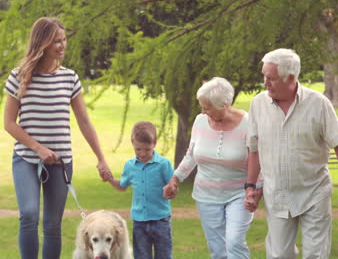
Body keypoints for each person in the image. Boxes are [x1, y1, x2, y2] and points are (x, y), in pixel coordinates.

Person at [3, 17, 112, 259]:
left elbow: (84, 122)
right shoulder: (18, 76)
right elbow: (9, 123)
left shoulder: (69, 78)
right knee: (29, 214)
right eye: (56, 41)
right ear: (42, 43)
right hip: (26, 160)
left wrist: (101, 159)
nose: (62, 46)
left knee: (52, 225)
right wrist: (38, 148)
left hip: (61, 164)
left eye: (63, 40)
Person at [244, 48, 338, 259]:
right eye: (264, 76)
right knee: (279, 255)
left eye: (271, 78)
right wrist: (250, 187)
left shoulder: (319, 103)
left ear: (291, 78)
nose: (265, 83)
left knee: (316, 255)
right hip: (276, 193)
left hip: (314, 192)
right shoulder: (258, 104)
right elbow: (254, 149)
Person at [163, 77, 259, 259]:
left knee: (234, 242)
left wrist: (255, 190)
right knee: (218, 250)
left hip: (239, 194)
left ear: (223, 104)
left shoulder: (248, 124)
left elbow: (257, 159)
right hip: (206, 196)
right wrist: (175, 179)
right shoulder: (200, 121)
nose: (203, 111)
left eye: (207, 108)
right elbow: (191, 155)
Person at [108, 121, 174, 259]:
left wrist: (171, 189)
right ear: (132, 143)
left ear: (154, 143)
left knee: (164, 256)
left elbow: (173, 186)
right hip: (140, 222)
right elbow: (122, 186)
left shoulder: (164, 164)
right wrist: (109, 179)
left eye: (147, 149)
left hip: (161, 220)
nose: (142, 153)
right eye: (138, 149)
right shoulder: (130, 166)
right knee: (141, 256)